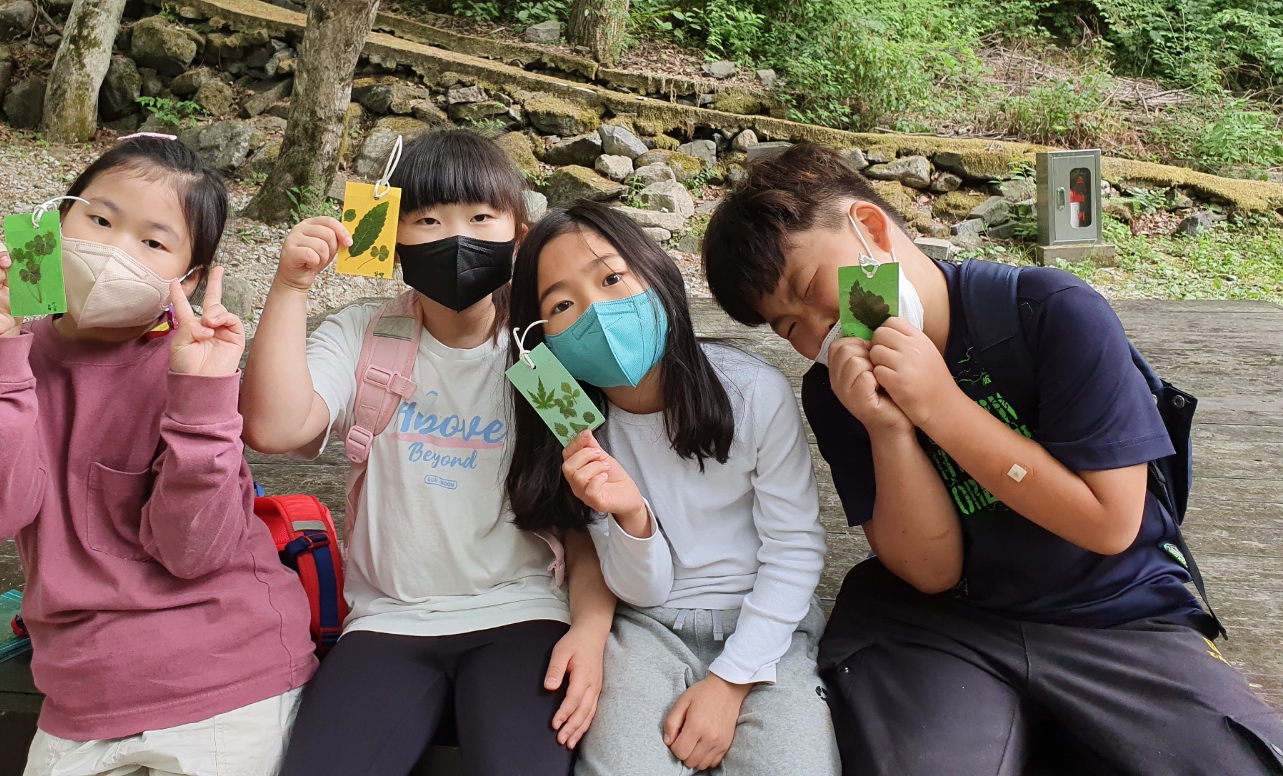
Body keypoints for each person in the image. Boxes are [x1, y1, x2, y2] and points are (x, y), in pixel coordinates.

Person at [701, 142, 1283, 776]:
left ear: (870, 228)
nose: (821, 329)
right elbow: (931, 572)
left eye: (813, 289)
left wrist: (941, 408)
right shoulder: (837, 391)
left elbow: (1111, 523)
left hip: (1115, 611)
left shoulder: (1050, 311)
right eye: (790, 328)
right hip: (944, 623)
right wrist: (890, 430)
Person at [0, 134, 317, 776]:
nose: (115, 251)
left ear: (190, 279)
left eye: (154, 242)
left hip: (226, 680)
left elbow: (193, 551)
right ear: (53, 222)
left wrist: (202, 400)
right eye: (100, 221)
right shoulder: (5, 349)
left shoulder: (190, 364)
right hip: (79, 697)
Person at [240, 128, 614, 776]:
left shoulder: (538, 357)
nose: (457, 237)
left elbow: (585, 511)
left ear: (519, 238)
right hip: (388, 620)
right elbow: (274, 429)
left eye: (481, 217)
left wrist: (590, 629)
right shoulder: (363, 335)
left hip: (521, 612)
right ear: (392, 239)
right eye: (429, 220)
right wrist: (292, 286)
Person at [506, 201, 840, 776]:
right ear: (542, 342)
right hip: (646, 628)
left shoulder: (753, 392)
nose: (596, 311)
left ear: (656, 272)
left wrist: (730, 682)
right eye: (561, 305)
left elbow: (794, 548)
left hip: (769, 625)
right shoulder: (573, 427)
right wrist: (631, 517)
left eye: (612, 278)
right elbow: (642, 588)